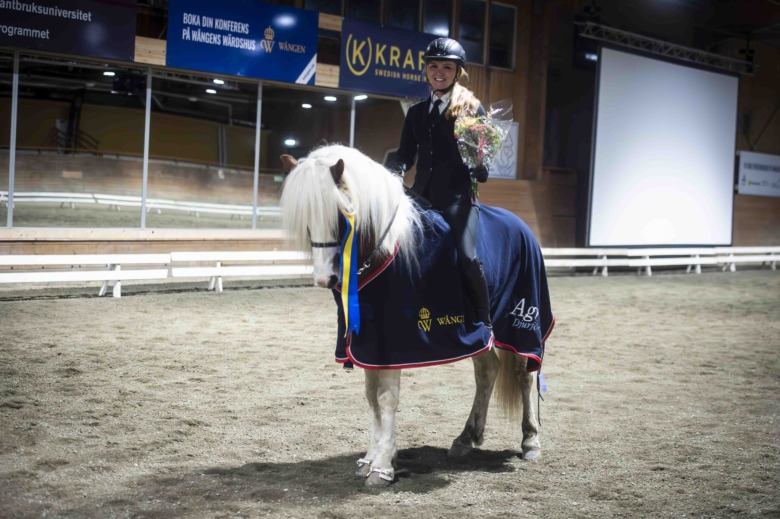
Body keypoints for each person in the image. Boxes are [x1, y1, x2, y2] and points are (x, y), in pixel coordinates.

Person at [387, 37, 492, 328]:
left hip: (458, 198)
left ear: (457, 71)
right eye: (433, 66)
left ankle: (484, 319)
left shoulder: (470, 108)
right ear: (425, 70)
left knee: (467, 256)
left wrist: (482, 169)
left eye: (447, 67)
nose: (439, 72)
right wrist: (395, 171)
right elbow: (405, 154)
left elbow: (479, 152)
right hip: (421, 197)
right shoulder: (416, 112)